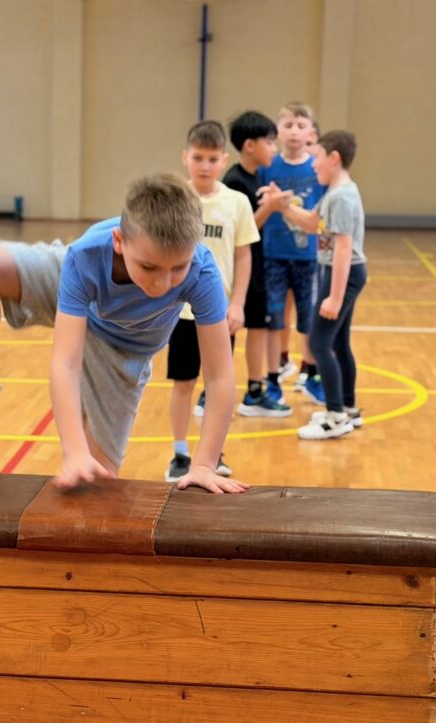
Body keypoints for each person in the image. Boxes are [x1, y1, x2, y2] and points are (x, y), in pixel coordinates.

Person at [0, 174, 247, 495]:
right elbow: (65, 362)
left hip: (125, 349)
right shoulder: (87, 255)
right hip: (78, 288)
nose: (163, 282)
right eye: (149, 266)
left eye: (178, 268)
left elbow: (219, 375)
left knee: (96, 485)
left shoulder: (202, 272)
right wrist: (74, 450)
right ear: (119, 241)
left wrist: (204, 464)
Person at [164, 121, 259, 482]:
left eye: (212, 159)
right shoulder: (174, 198)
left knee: (219, 383)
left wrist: (238, 303)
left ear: (224, 160)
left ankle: (214, 453)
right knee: (183, 383)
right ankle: (180, 453)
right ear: (184, 157)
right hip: (179, 312)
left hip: (219, 314)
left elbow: (244, 256)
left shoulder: (237, 202)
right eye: (198, 158)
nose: (204, 165)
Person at [281, 130, 367, 440]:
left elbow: (343, 247)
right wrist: (282, 205)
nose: (313, 164)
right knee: (338, 343)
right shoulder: (335, 192)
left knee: (319, 343)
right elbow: (311, 222)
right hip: (342, 272)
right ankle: (347, 408)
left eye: (316, 157)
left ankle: (335, 417)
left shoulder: (341, 197)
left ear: (333, 158)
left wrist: (334, 297)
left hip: (343, 273)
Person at [222, 110, 294, 419]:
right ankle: (213, 393)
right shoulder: (234, 181)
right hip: (240, 268)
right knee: (230, 331)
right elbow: (244, 228)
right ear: (250, 145)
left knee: (259, 326)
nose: (274, 149)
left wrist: (270, 202)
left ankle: (254, 390)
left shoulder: (255, 178)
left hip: (257, 265)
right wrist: (271, 208)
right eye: (269, 142)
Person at [258, 102, 325, 404]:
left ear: (310, 132)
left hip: (308, 258)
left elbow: (319, 218)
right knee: (274, 320)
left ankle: (311, 374)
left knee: (308, 320)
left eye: (301, 126)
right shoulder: (268, 167)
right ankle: (273, 378)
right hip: (273, 256)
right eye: (288, 125)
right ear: (278, 130)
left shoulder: (316, 169)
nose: (294, 132)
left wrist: (286, 208)